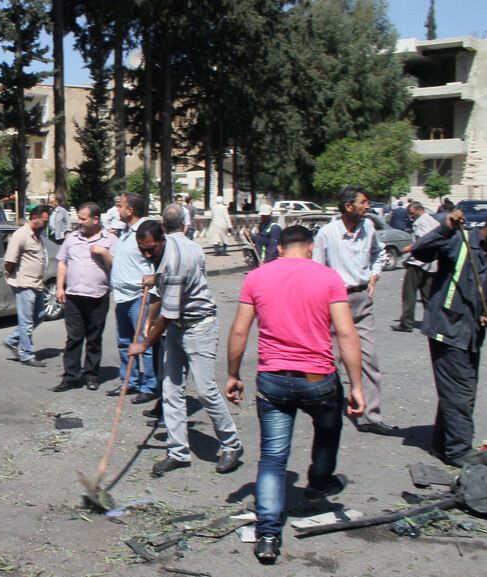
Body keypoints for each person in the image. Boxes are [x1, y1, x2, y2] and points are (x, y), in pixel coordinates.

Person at [225, 225, 366, 564]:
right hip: (317, 377)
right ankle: (318, 481)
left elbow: (240, 329)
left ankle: (269, 536)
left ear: (280, 248)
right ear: (310, 247)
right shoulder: (328, 277)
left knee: (273, 458)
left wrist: (233, 374)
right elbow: (346, 334)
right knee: (329, 428)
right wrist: (357, 385)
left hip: (273, 379)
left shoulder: (257, 277)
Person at [128, 204, 244, 478]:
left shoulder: (175, 261)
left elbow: (168, 312)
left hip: (198, 326)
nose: (147, 254)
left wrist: (143, 345)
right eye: (142, 249)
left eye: (150, 249)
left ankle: (232, 444)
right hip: (178, 328)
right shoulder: (178, 247)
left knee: (204, 391)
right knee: (170, 390)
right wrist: (155, 277)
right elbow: (166, 283)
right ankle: (178, 452)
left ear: (162, 240)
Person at [312, 186, 396, 435]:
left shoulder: (368, 228)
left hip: (361, 299)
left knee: (368, 358)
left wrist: (374, 276)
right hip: (336, 302)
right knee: (331, 359)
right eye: (363, 202)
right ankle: (326, 408)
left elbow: (379, 254)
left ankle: (370, 415)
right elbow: (317, 271)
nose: (367, 206)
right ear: (349, 206)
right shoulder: (327, 234)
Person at [412, 210, 487, 467]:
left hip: (471, 333)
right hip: (448, 329)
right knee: (461, 391)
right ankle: (458, 451)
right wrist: (445, 227)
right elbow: (419, 250)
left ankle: (442, 443)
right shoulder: (459, 238)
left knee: (458, 389)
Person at [53, 202, 115, 392]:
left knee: (94, 338)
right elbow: (63, 262)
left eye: (83, 218)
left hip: (98, 296)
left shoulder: (110, 240)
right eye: (78, 218)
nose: (78, 222)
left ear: (95, 220)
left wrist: (103, 253)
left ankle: (91, 375)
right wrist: (60, 287)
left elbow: (116, 266)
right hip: (74, 296)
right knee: (73, 338)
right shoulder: (71, 238)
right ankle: (70, 376)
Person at [107, 193, 159, 404]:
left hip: (139, 296)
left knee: (143, 343)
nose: (117, 210)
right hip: (122, 297)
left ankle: (149, 385)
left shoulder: (146, 232)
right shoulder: (126, 232)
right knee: (124, 342)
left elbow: (157, 261)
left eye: (121, 206)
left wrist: (154, 280)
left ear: (130, 210)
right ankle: (129, 380)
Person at [3, 205, 51, 367]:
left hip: (37, 284)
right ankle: (27, 354)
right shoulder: (20, 235)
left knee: (40, 315)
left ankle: (12, 340)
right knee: (26, 321)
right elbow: (10, 260)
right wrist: (8, 273)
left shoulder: (37, 235)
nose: (46, 225)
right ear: (33, 218)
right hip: (24, 284)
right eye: (44, 221)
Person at [392, 201, 438, 333]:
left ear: (419, 209)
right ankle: (433, 322)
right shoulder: (432, 221)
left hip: (418, 262)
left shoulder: (422, 222)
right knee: (427, 295)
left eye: (412, 213)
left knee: (409, 294)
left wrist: (408, 249)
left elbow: (425, 240)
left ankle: (407, 323)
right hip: (430, 264)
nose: (411, 217)